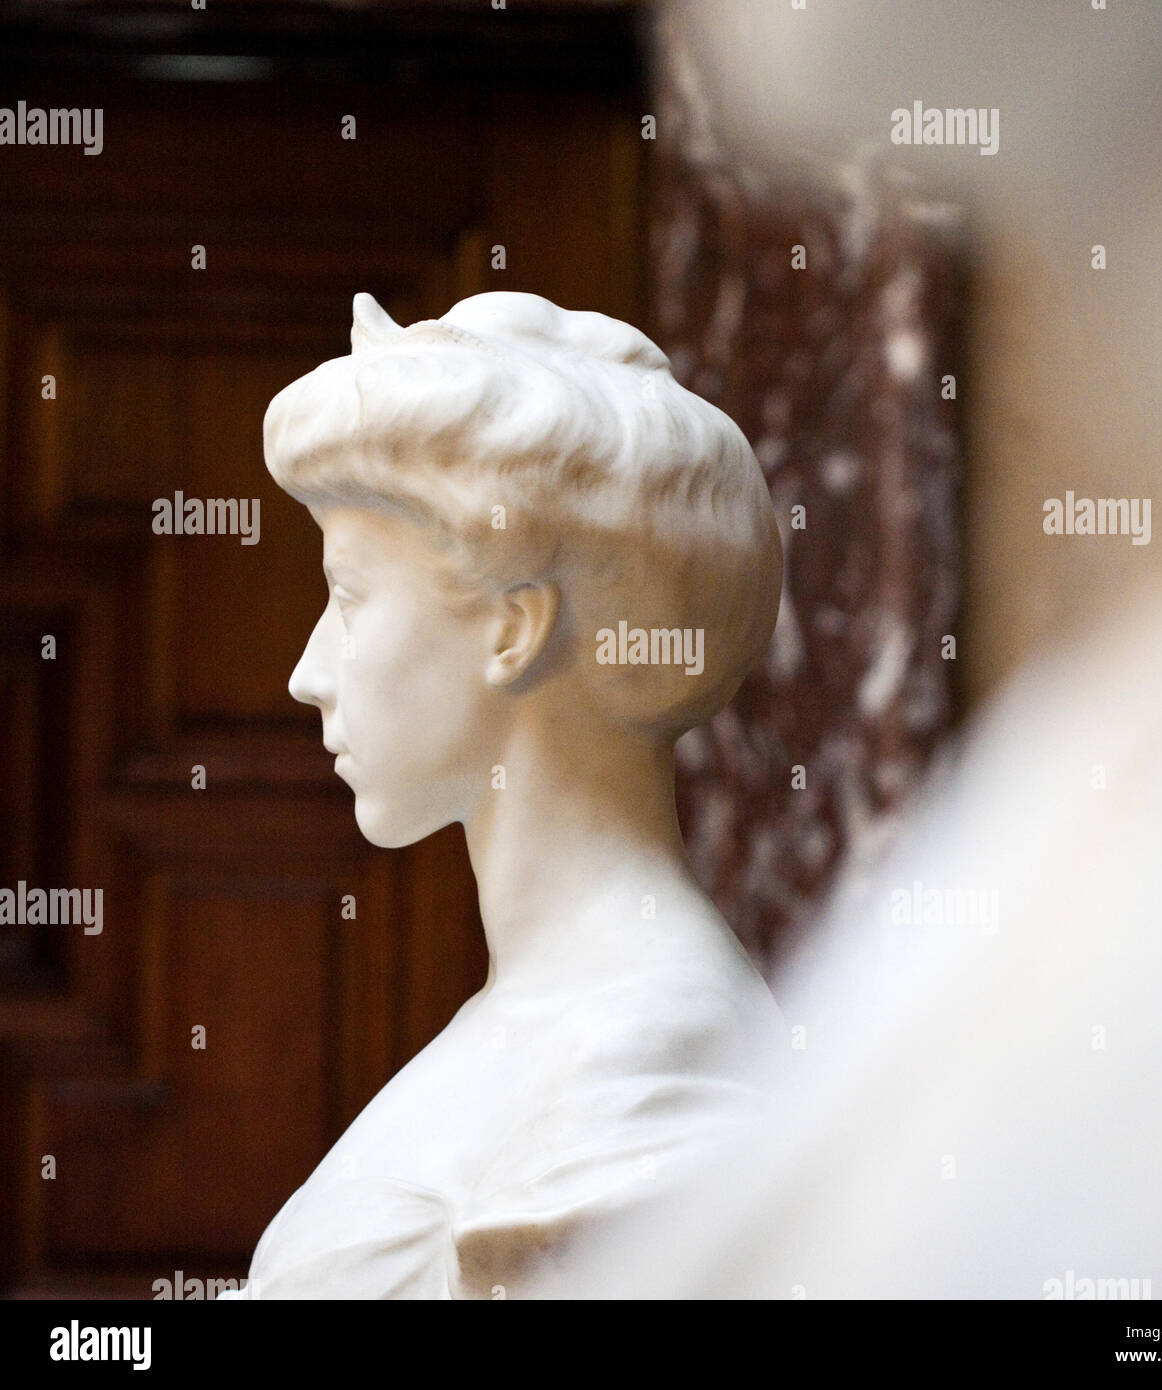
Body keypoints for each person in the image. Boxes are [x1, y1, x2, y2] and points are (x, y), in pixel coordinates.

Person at [221, 290, 789, 1299]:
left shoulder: (641, 1071)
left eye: (348, 596)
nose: (308, 670)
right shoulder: (544, 1016)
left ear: (514, 626)